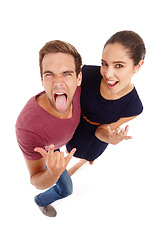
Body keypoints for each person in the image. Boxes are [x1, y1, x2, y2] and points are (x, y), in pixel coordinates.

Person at [15, 40, 82, 217]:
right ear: (42, 80)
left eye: (67, 74)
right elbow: (36, 180)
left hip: (59, 140)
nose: (59, 82)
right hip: (47, 149)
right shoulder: (28, 128)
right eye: (50, 75)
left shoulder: (84, 85)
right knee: (67, 189)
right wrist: (53, 173)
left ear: (79, 77)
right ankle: (41, 201)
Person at [66, 30, 146, 170]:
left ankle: (83, 162)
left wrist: (110, 139)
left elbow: (101, 130)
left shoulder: (134, 106)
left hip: (93, 139)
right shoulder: (87, 73)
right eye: (104, 63)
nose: (108, 74)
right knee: (68, 149)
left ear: (137, 66)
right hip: (73, 124)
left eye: (119, 65)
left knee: (86, 156)